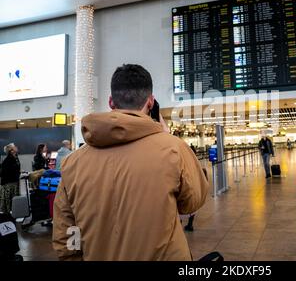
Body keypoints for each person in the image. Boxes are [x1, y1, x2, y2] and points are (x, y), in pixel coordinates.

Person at [52, 64, 209, 261]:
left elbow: (66, 230)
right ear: (150, 103)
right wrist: (165, 136)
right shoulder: (174, 149)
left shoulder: (71, 163)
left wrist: (74, 257)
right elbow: (191, 203)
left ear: (111, 102)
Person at [0, 143, 21, 214]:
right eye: (14, 147)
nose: (16, 147)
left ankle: (13, 214)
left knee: (13, 200)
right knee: (9, 201)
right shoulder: (8, 160)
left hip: (13, 182)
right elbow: (5, 172)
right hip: (9, 183)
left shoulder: (14, 157)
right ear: (11, 151)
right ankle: (9, 216)